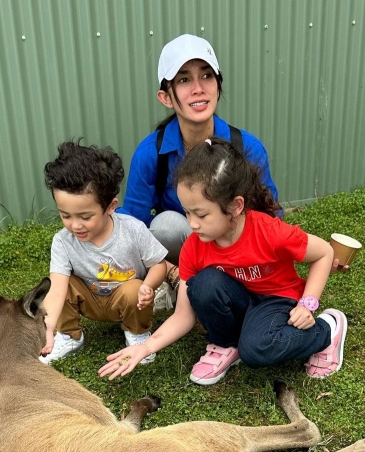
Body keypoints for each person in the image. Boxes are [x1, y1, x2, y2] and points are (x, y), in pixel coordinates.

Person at [99, 138, 347, 384]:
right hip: (239, 299)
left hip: (277, 300)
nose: (192, 223)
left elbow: (324, 252)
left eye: (202, 214)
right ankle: (226, 344)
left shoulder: (270, 232)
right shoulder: (194, 248)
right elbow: (184, 315)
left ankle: (328, 330)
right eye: (187, 212)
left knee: (257, 350)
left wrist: (308, 304)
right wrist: (145, 347)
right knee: (203, 284)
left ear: (236, 206)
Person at [118, 33, 280, 303]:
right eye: (183, 80)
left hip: (235, 248)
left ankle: (228, 288)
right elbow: (133, 226)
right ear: (166, 97)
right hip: (184, 247)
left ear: (218, 85)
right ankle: (177, 282)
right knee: (166, 226)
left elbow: (270, 218)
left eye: (206, 76)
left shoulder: (247, 148)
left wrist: (308, 253)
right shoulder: (150, 153)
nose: (198, 88)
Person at [39, 140, 168, 365]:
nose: (75, 225)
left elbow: (159, 264)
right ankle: (68, 335)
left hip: (127, 299)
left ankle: (137, 334)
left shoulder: (133, 229)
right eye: (65, 216)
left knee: (134, 288)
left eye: (85, 217)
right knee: (62, 283)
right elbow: (57, 288)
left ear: (110, 206)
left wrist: (149, 285)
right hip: (89, 298)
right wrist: (47, 327)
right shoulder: (62, 241)